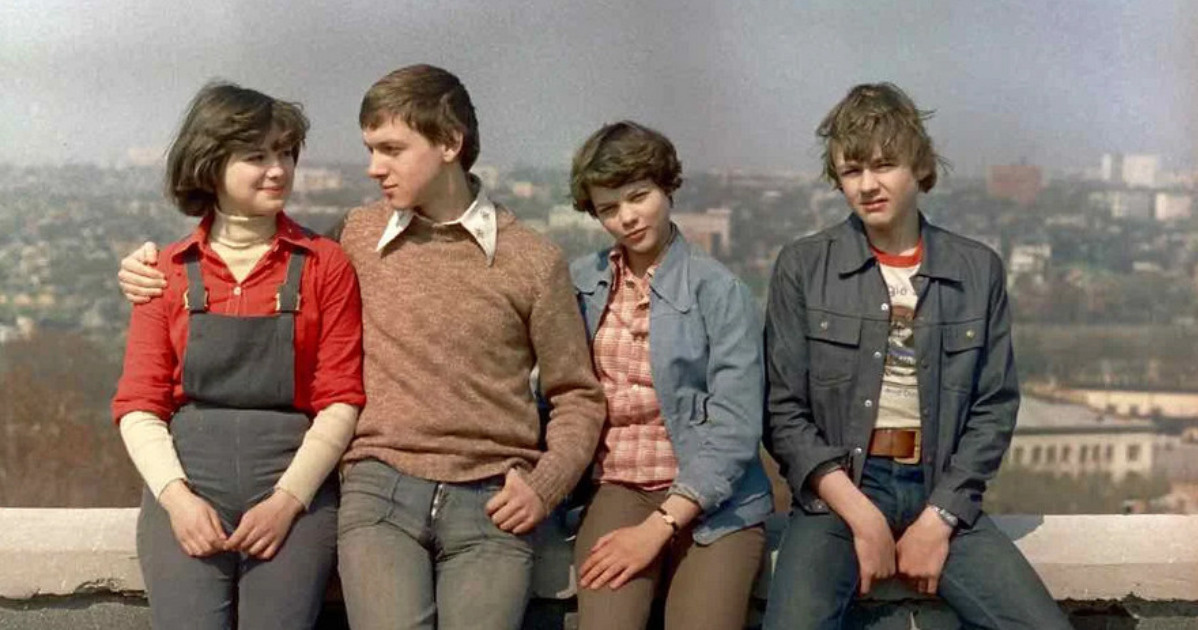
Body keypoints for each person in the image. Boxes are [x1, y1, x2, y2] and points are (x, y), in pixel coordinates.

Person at [118, 64, 606, 630]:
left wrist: (545, 486)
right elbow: (248, 257)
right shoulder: (356, 236)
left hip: (489, 500)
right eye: (370, 149)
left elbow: (577, 395)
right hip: (380, 491)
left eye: (391, 150)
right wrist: (142, 269)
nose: (373, 168)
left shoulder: (532, 261)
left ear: (450, 143)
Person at [761, 83, 1072, 629]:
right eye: (851, 170)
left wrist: (940, 517)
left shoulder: (976, 271)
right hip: (839, 497)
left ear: (920, 167)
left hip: (940, 494)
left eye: (884, 165)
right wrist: (862, 518)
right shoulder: (803, 267)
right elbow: (782, 412)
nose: (867, 185)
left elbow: (994, 407)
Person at [112, 82, 365, 629]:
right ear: (210, 165)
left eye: (285, 153)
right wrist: (177, 500)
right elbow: (139, 404)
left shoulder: (324, 265)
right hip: (186, 484)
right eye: (256, 156)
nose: (278, 170)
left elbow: (341, 397)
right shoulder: (167, 271)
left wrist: (288, 501)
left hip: (293, 491)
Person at [567, 121, 772, 630]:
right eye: (609, 208)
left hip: (718, 500)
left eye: (639, 196)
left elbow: (735, 427)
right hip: (619, 484)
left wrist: (659, 526)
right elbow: (558, 395)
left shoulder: (720, 291)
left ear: (666, 187)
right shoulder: (582, 285)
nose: (627, 217)